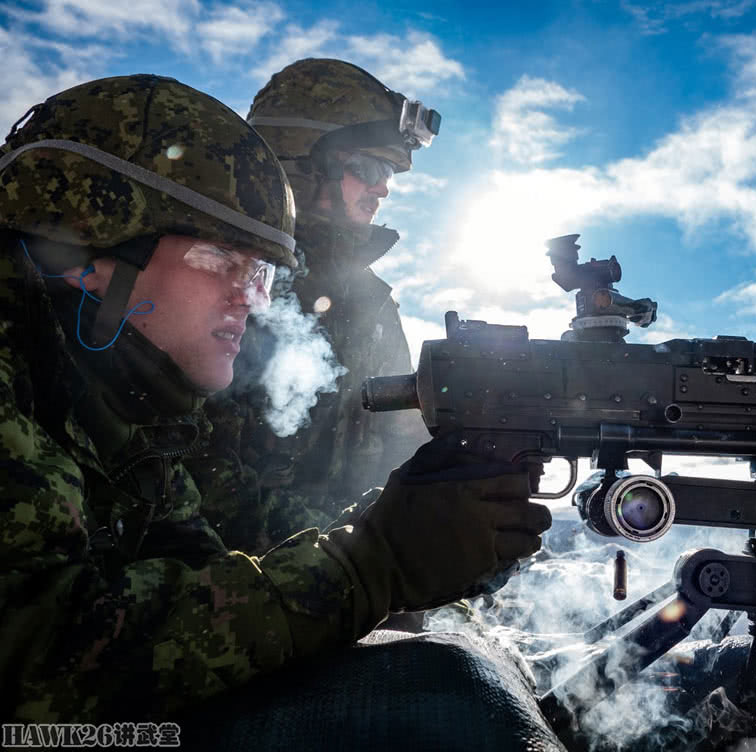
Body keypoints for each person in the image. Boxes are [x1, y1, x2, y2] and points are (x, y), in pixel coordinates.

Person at [0, 74, 551, 724]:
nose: (255, 299)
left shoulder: (128, 401)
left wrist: (412, 531)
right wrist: (372, 564)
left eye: (259, 272)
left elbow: (201, 568)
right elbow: (33, 663)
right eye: (218, 259)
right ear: (88, 249)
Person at [189, 59, 432, 553]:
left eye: (387, 173)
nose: (382, 187)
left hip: (349, 593)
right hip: (217, 595)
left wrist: (444, 529)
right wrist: (371, 563)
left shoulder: (372, 304)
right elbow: (198, 481)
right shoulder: (212, 273)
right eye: (367, 168)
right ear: (300, 164)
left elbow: (405, 450)